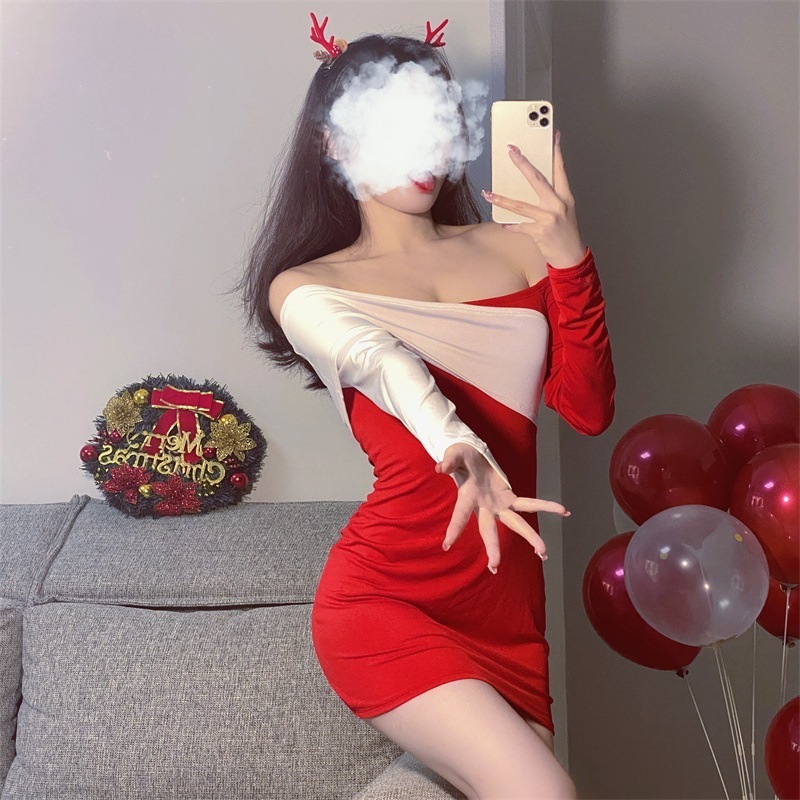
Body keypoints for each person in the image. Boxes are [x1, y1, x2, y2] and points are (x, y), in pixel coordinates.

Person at [236, 15, 615, 800]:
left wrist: (570, 257)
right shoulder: (305, 287)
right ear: (334, 141)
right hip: (389, 600)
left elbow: (585, 410)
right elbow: (384, 360)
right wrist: (458, 445)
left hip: (508, 605)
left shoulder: (518, 246)